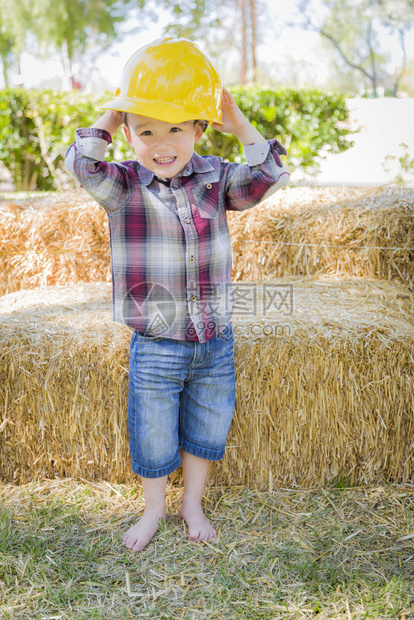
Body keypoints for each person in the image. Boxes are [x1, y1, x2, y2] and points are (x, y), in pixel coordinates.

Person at [65, 37, 289, 552]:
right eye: (145, 131)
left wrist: (240, 126)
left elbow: (269, 175)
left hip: (215, 342)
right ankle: (153, 509)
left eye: (175, 129)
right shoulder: (122, 186)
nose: (161, 143)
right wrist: (111, 112)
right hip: (156, 344)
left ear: (197, 129)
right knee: (154, 435)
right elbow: (81, 164)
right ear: (127, 135)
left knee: (207, 428)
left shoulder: (217, 178)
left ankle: (192, 503)